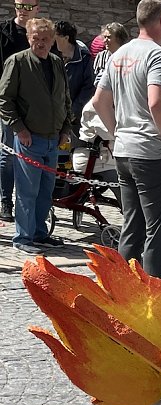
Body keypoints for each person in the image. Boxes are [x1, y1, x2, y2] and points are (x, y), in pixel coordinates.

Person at [93, 0, 161, 280]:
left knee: (132, 225)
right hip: (153, 152)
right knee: (158, 230)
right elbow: (157, 103)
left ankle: (123, 293)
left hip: (124, 150)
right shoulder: (160, 56)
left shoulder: (118, 55)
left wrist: (116, 133)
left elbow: (99, 102)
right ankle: (152, 301)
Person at [0, 17, 71, 253]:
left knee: (45, 190)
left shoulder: (56, 62)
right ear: (28, 38)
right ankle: (23, 238)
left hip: (53, 138)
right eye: (35, 39)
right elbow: (4, 99)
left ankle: (40, 233)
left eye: (45, 39)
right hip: (29, 137)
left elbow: (65, 98)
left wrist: (65, 129)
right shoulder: (17, 62)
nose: (40, 43)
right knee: (27, 191)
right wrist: (19, 129)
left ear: (52, 40)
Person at [0, 0, 40, 222]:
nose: (23, 10)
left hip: (35, 105)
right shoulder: (5, 32)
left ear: (37, 8)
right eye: (19, 5)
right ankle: (6, 200)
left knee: (35, 153)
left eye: (28, 6)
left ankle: (31, 205)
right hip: (10, 101)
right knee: (8, 154)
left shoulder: (40, 33)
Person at [52, 20, 94, 133]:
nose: (52, 38)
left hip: (73, 118)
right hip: (50, 114)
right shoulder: (50, 54)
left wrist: (73, 111)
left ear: (66, 38)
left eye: (55, 35)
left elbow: (88, 87)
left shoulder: (84, 57)